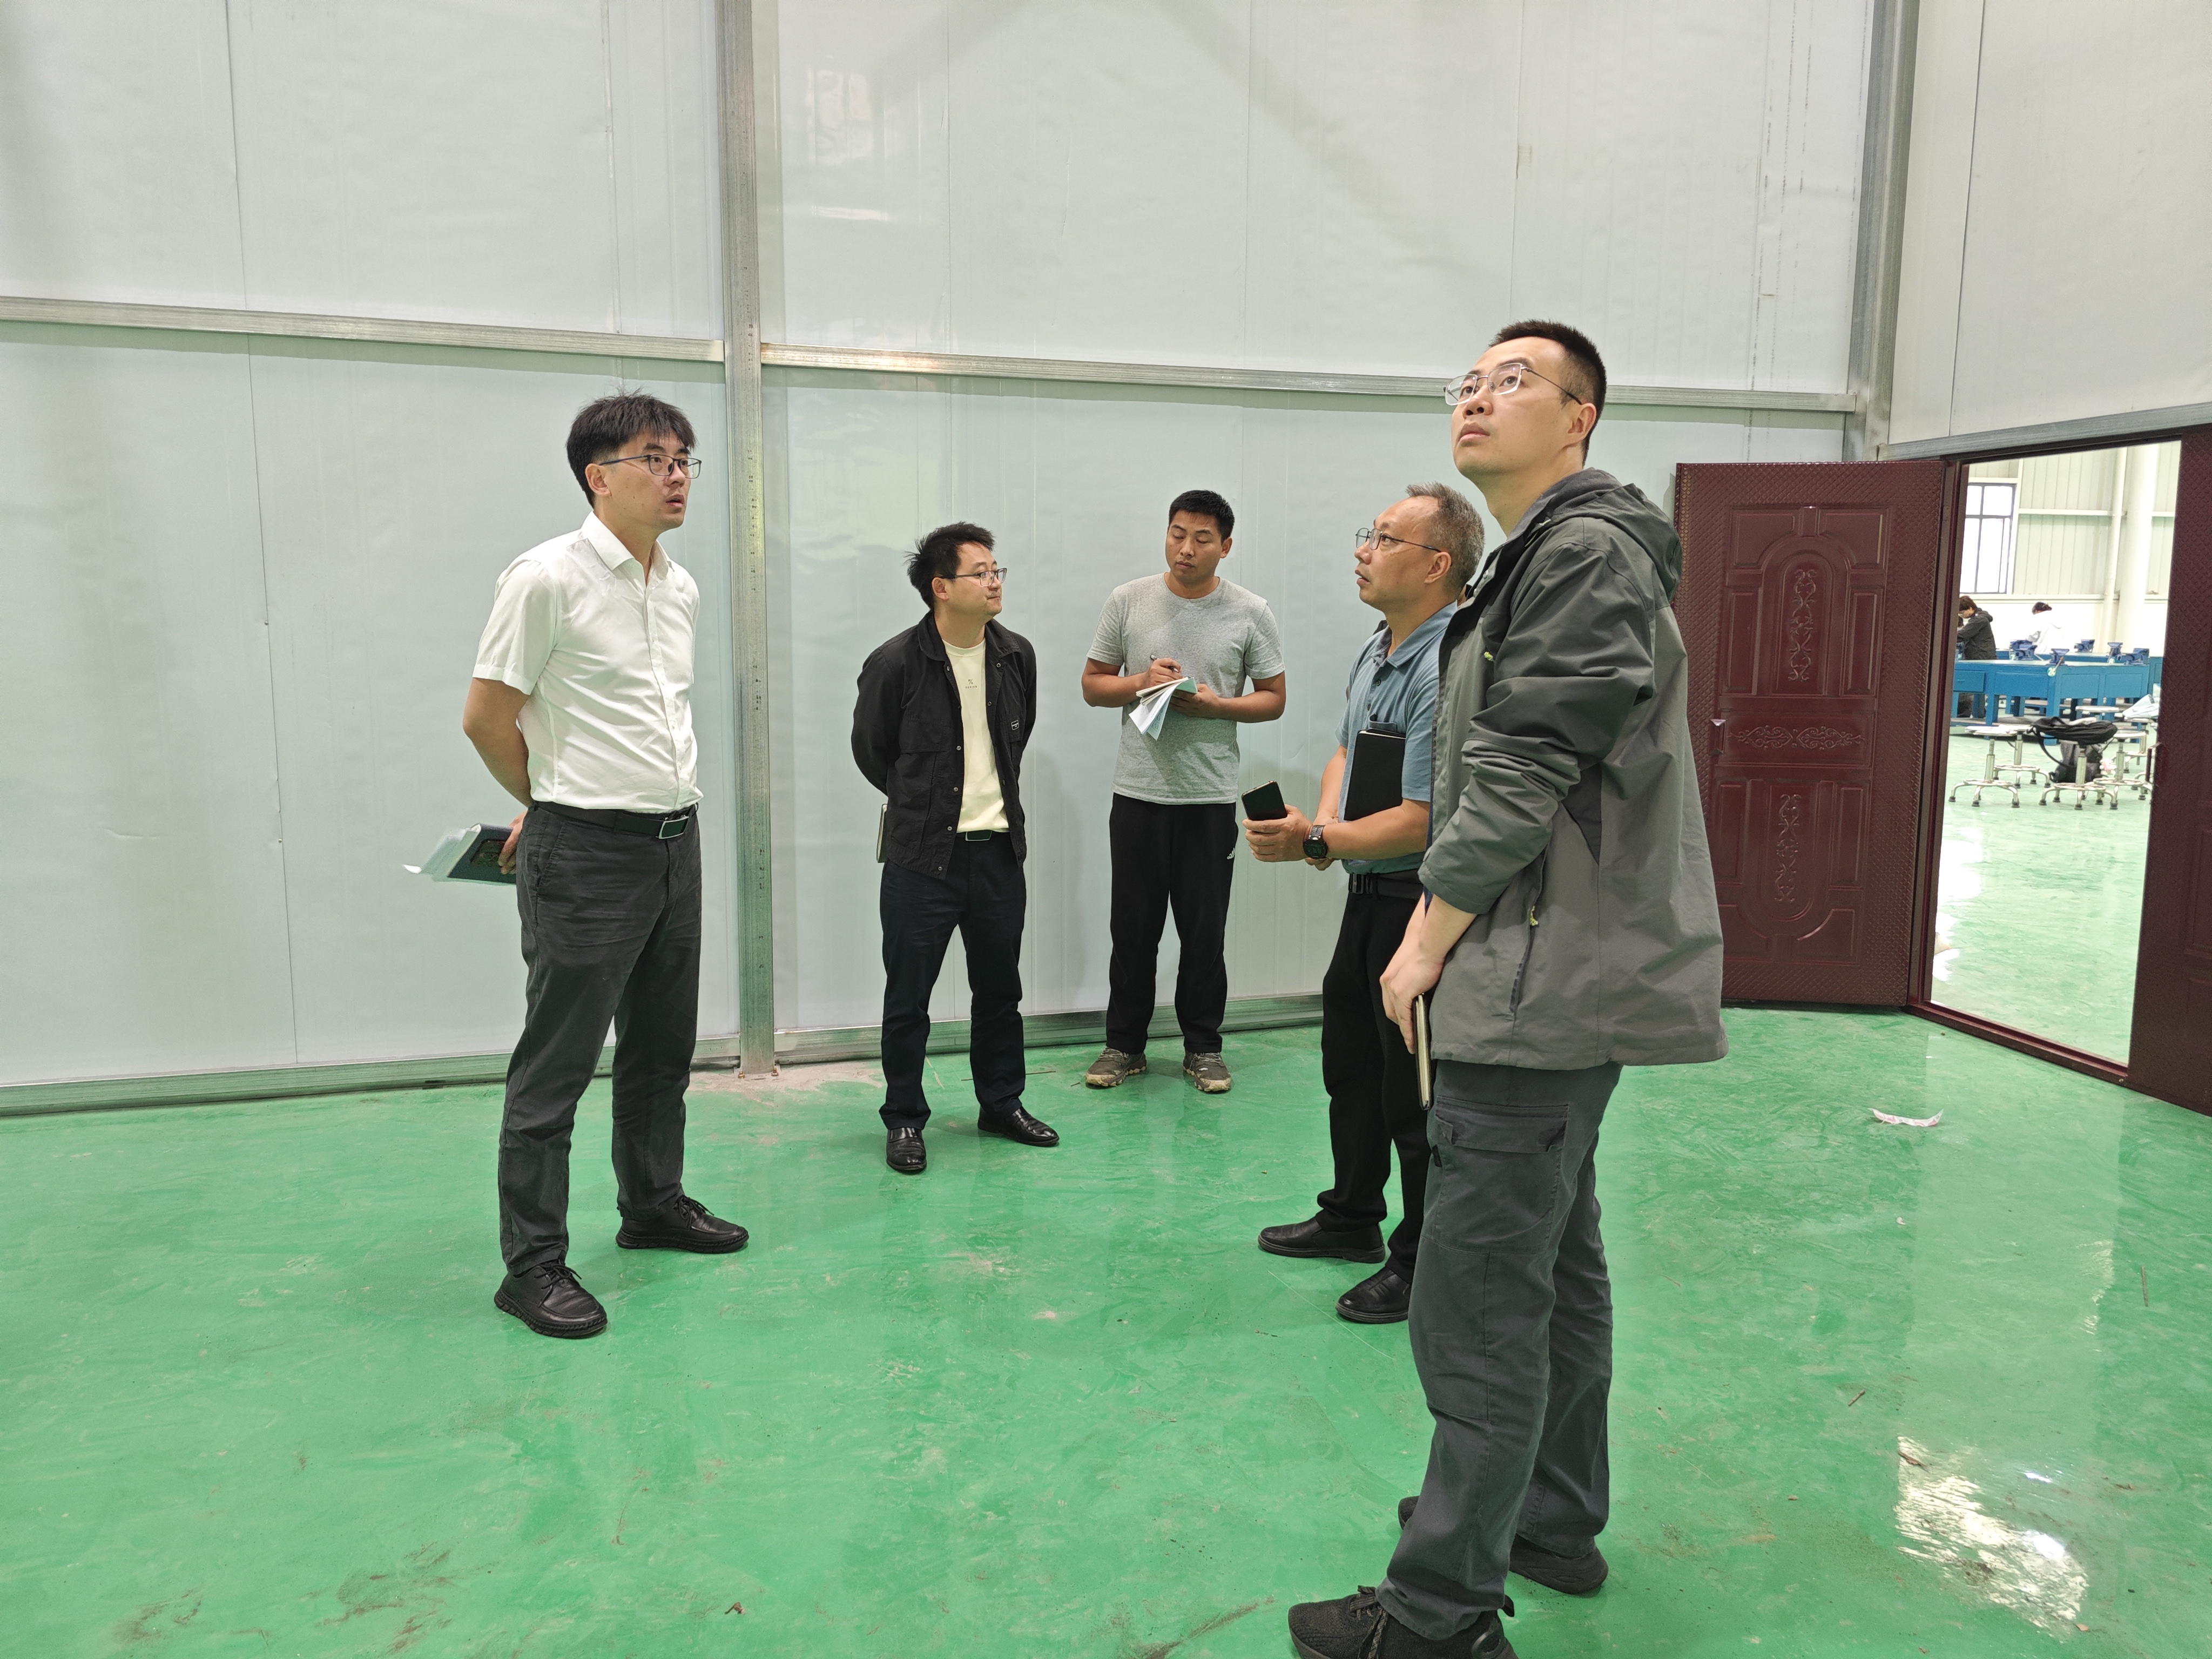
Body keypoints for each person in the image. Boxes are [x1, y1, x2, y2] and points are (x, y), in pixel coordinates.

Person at [1287, 322, 1725, 1659]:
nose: (1479, 396)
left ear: (1581, 416)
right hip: (1555, 968)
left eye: (1515, 379)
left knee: (1477, 1294)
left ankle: (1439, 1612)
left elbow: (1523, 764)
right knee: (1556, 1260)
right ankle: (1547, 1515)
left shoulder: (1580, 554)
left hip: (1533, 971)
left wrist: (1423, 937)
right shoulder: (1548, 554)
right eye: (1468, 381)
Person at [463, 392, 748, 1342]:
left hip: (674, 843)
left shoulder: (678, 585)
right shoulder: (546, 578)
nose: (677, 476)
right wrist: (548, 800)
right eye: (655, 458)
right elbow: (487, 718)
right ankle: (532, 1265)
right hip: (585, 852)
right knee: (556, 1069)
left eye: (685, 459)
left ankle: (652, 1204)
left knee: (661, 1050)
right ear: (599, 476)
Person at [1245, 483, 1483, 1326]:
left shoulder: (1449, 665)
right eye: (1369, 535)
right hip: (1365, 890)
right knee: (1350, 1064)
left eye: (1383, 539)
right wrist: (1327, 834)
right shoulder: (1382, 646)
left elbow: (1423, 817)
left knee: (1411, 1091)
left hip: (1418, 904)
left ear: (1437, 564)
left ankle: (1420, 1261)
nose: (1362, 551)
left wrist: (1319, 840)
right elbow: (1348, 750)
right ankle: (1352, 1215)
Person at [852, 523, 1057, 1174]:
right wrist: (926, 807)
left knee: (999, 992)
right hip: (922, 860)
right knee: (908, 998)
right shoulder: (895, 664)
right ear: (941, 588)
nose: (995, 582)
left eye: (998, 570)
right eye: (981, 572)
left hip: (998, 853)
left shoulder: (1015, 656)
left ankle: (1001, 1103)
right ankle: (904, 1118)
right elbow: (873, 752)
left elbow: (1016, 741)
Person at [1080, 490, 1287, 1096]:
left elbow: (1275, 698)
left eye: (1201, 539)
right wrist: (1140, 682)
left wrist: (1218, 706)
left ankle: (1203, 1048)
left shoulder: (1250, 611)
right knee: (1132, 932)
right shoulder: (1128, 600)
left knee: (1203, 935)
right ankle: (1124, 1046)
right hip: (1137, 795)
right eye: (1176, 534)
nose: (1185, 549)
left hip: (1208, 799)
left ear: (1226, 546)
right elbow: (1093, 686)